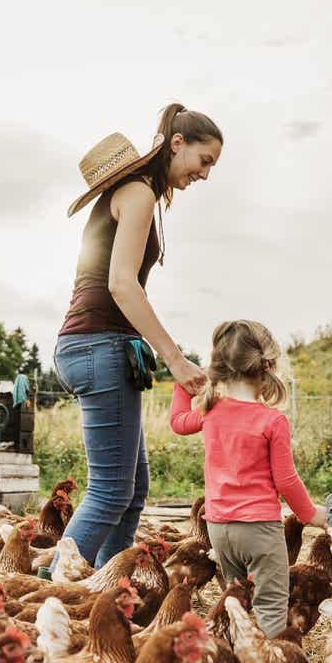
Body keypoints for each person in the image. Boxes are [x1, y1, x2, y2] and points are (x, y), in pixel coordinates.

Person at [53, 103, 222, 566]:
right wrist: (176, 359)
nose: (206, 175)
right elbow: (122, 285)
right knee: (110, 491)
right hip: (98, 345)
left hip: (96, 345)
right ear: (177, 144)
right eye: (204, 161)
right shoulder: (140, 194)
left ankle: (108, 589)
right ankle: (52, 594)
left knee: (131, 490)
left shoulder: (137, 195)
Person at [169, 319, 326, 639]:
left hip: (220, 528)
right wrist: (310, 514)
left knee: (235, 604)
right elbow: (286, 480)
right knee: (270, 605)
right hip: (260, 530)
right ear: (268, 365)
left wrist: (180, 384)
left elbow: (177, 422)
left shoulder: (211, 411)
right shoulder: (272, 420)